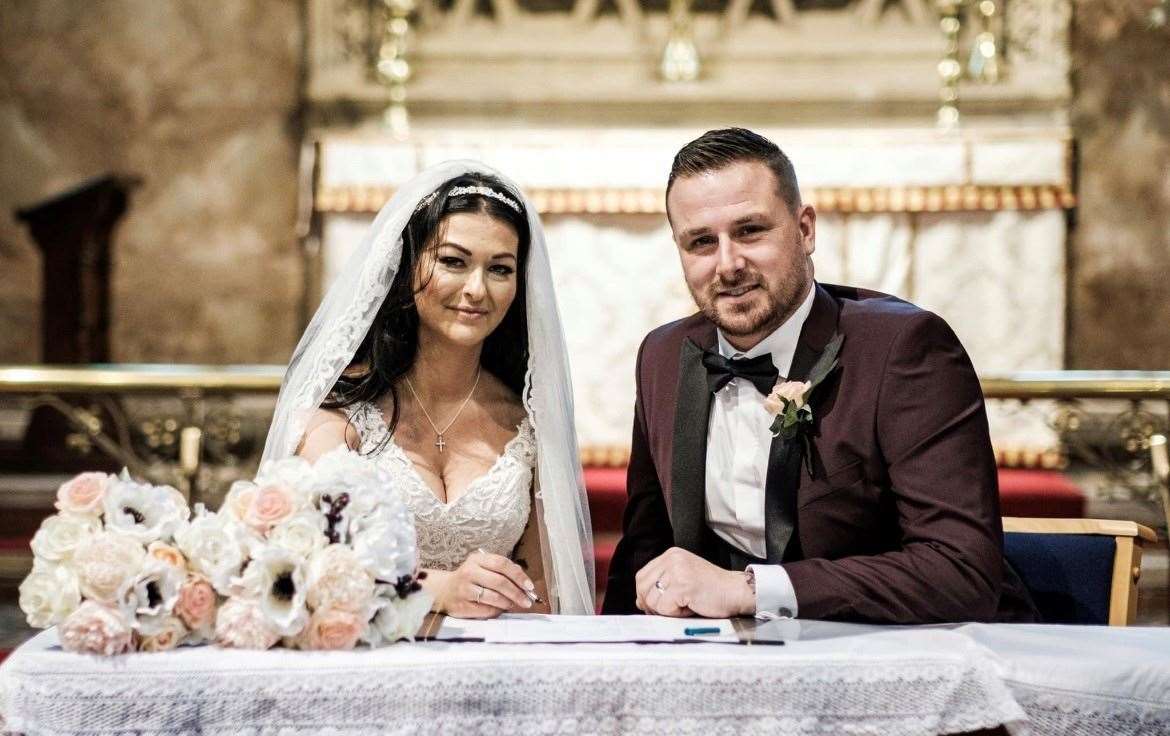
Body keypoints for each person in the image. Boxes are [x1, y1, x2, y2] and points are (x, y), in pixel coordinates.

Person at [602, 128, 1037, 624]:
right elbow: (646, 550)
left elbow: (960, 570)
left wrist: (750, 590)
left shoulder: (905, 350)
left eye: (750, 231)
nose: (728, 265)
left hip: (918, 653)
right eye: (701, 242)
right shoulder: (662, 356)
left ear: (805, 229)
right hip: (734, 660)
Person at [263, 161, 595, 618]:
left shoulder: (526, 425)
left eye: (500, 269)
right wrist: (432, 588)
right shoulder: (340, 418)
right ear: (408, 266)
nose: (477, 289)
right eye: (453, 262)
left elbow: (541, 592)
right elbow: (297, 566)